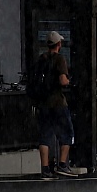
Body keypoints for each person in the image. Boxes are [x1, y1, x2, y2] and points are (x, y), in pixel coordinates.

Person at [34, 31, 76, 179]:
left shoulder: (41, 59)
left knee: (45, 136)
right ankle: (63, 164)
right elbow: (63, 80)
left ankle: (45, 169)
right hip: (58, 102)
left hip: (43, 103)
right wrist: (70, 82)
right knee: (68, 132)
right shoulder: (60, 59)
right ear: (59, 44)